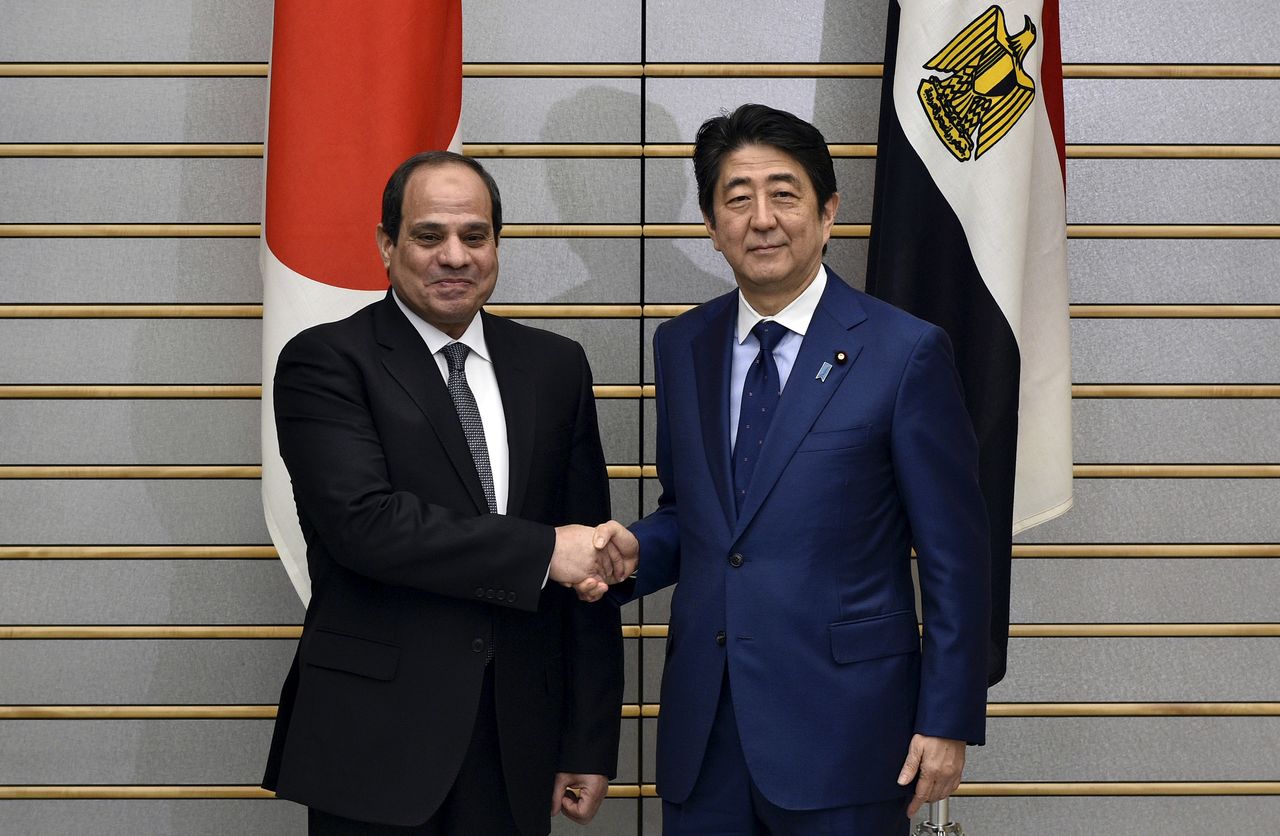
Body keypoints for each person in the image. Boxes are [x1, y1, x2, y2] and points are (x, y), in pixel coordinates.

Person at [598, 104, 992, 834]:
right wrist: (630, 554)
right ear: (713, 227)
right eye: (736, 198)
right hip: (706, 734)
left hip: (848, 735)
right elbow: (699, 514)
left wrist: (949, 719)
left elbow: (955, 556)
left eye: (784, 193)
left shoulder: (905, 352)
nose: (762, 218)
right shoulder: (684, 346)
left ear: (828, 211)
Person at [262, 151, 633, 835]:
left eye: (475, 235)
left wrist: (588, 738)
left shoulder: (555, 367)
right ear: (386, 245)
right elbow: (364, 524)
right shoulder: (325, 361)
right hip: (376, 743)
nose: (454, 256)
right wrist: (543, 550)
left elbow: (588, 567)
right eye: (429, 236)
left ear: (497, 244)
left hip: (517, 739)